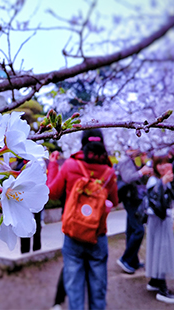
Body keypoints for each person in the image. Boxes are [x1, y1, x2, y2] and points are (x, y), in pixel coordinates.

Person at [47, 129, 118, 310]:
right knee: (98, 288)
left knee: (74, 288)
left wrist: (53, 165)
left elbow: (53, 192)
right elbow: (115, 201)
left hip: (73, 234)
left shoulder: (70, 165)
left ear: (82, 143)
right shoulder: (109, 172)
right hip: (97, 234)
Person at [144, 152, 174, 304]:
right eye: (159, 164)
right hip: (157, 220)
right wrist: (163, 183)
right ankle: (162, 289)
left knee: (159, 248)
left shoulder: (163, 179)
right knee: (161, 249)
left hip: (161, 220)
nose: (163, 166)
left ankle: (155, 281)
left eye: (165, 162)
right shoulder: (154, 180)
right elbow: (154, 198)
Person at [116, 148, 152, 274]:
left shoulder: (132, 160)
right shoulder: (125, 161)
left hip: (134, 198)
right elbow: (127, 178)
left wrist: (142, 166)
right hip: (130, 198)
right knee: (139, 230)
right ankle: (125, 259)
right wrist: (142, 172)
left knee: (131, 229)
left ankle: (133, 260)